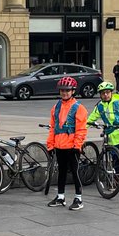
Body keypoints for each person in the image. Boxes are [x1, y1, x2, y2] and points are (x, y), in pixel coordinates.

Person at [87, 81, 119, 192]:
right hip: (112, 137)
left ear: (111, 93)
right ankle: (117, 181)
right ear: (100, 94)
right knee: (115, 160)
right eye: (103, 93)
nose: (106, 95)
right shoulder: (99, 106)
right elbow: (90, 119)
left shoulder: (118, 102)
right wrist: (81, 128)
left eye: (108, 92)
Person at [46, 76, 87, 210]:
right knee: (62, 172)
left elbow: (81, 129)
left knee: (75, 172)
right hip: (59, 145)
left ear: (73, 91)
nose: (64, 92)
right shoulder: (55, 107)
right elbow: (53, 128)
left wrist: (77, 146)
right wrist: (50, 145)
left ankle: (78, 198)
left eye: (67, 90)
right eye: (62, 90)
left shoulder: (78, 108)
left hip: (72, 146)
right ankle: (60, 197)